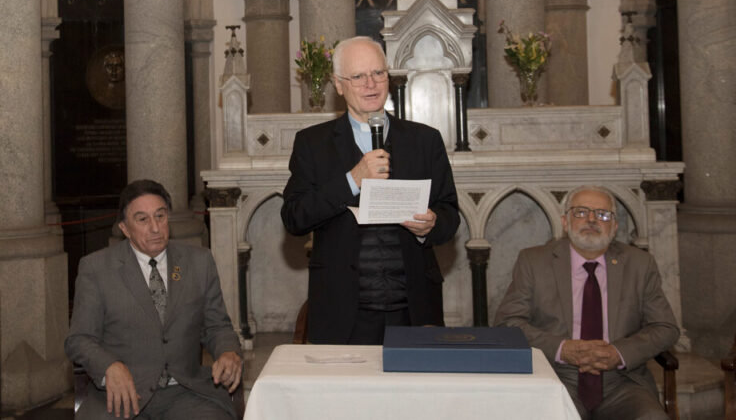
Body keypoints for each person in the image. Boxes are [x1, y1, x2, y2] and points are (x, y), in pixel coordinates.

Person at [281, 35, 460, 344]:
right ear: (338, 85)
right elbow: (294, 217)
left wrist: (430, 225)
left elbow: (450, 215)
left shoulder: (424, 140)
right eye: (358, 76)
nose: (371, 84)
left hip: (413, 307)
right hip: (343, 310)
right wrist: (353, 179)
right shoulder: (312, 143)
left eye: (378, 73)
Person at [494, 187, 679, 420]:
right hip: (557, 377)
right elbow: (507, 323)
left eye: (602, 214)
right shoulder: (534, 261)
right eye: (581, 212)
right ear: (565, 221)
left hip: (622, 382)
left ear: (615, 226)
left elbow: (666, 328)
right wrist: (563, 349)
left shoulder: (639, 264)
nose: (591, 220)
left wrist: (619, 352)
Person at [65, 179, 243, 420]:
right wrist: (109, 366)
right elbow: (79, 339)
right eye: (143, 219)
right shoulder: (97, 268)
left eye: (160, 216)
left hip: (186, 393)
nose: (155, 228)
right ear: (125, 228)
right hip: (122, 394)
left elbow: (217, 326)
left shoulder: (199, 262)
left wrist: (228, 351)